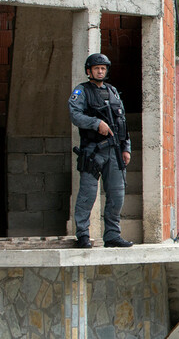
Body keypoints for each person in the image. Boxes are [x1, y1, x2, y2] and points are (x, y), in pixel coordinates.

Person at [69, 53, 132, 248]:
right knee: (87, 195)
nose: (100, 71)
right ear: (89, 71)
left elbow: (122, 123)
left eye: (103, 68)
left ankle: (112, 235)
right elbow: (75, 115)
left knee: (117, 194)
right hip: (93, 151)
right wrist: (96, 123)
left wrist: (126, 148)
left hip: (114, 151)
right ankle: (83, 235)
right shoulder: (82, 91)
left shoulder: (113, 92)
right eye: (96, 68)